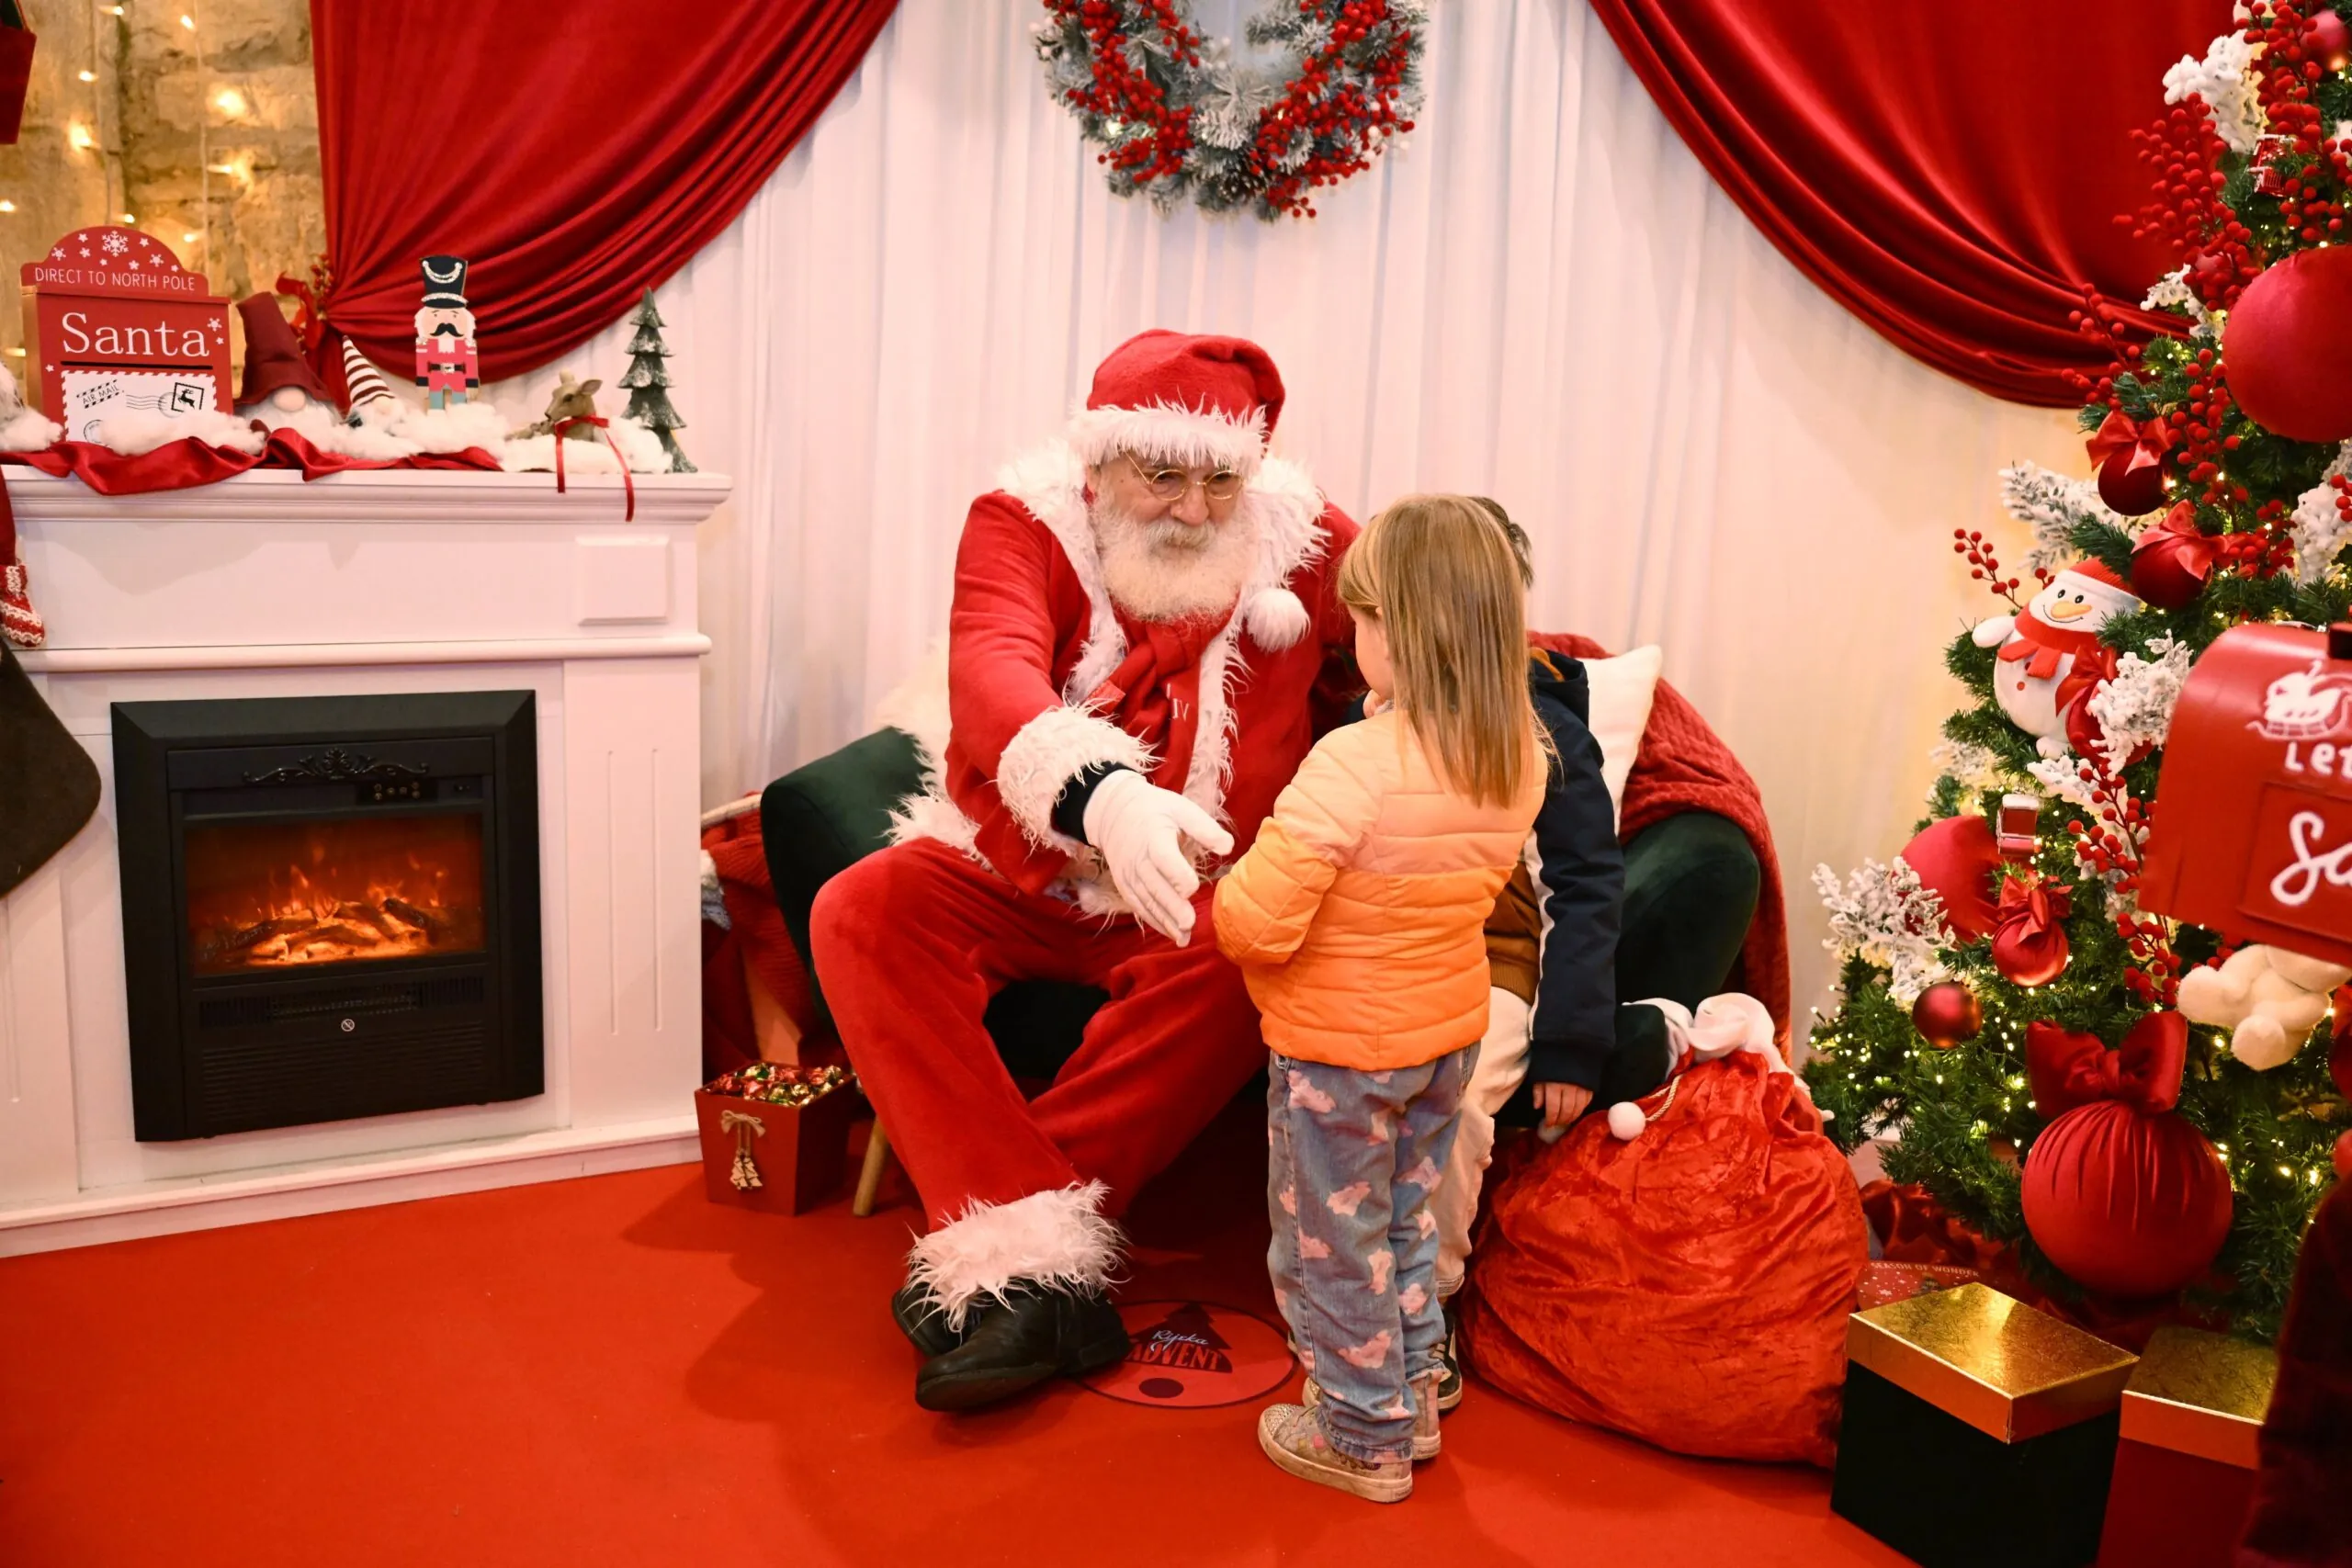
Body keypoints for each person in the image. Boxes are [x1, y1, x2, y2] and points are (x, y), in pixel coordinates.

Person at [808, 330, 1361, 1413]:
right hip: (1030, 866)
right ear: (1099, 466)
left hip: (1196, 892)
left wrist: (1554, 695)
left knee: (1257, 946)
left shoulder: (1303, 540)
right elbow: (991, 669)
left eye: (1219, 480)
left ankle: (1016, 1268)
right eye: (1162, 474)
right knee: (861, 909)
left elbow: (1435, 612)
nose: (1195, 510)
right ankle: (1045, 1268)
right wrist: (1104, 797)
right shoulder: (1021, 526)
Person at [1215, 495, 1547, 1503]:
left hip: (1340, 1052)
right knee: (1402, 1227)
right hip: (1444, 1031)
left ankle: (1361, 1438)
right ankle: (1409, 1394)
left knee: (1328, 1246)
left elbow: (1253, 923)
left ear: (1401, 633)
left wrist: (1227, 886)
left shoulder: (1351, 766)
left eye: (1360, 621)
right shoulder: (1516, 756)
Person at [1425, 500, 1662, 1410]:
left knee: (1451, 1094)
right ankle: (1340, 1286)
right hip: (1381, 952)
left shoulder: (1545, 729)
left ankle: (1426, 1299)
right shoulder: (1370, 714)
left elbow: (1585, 885)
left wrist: (1567, 1040)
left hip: (1487, 959)